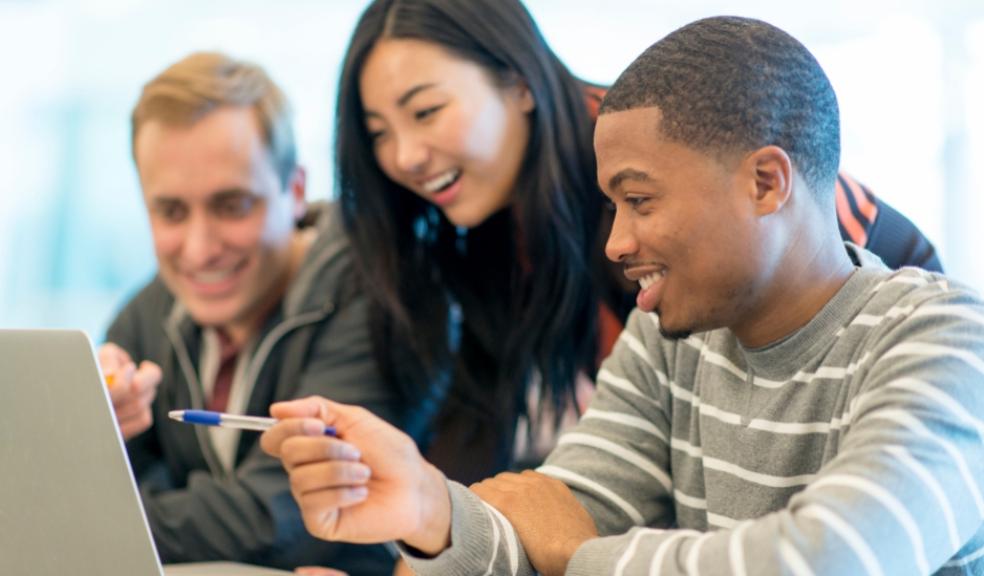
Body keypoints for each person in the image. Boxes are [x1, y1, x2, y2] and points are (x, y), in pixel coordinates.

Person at [261, 15, 984, 576]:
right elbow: (548, 523)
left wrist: (580, 557)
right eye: (611, 206)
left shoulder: (946, 340)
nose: (615, 244)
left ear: (766, 182)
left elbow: (827, 561)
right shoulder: (672, 336)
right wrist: (423, 502)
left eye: (639, 199)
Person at [330, 0, 942, 488]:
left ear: (517, 84)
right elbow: (508, 443)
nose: (404, 156)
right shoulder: (475, 221)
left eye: (427, 111)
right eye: (378, 132)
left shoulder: (652, 166)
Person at [100, 51, 407, 573]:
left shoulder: (376, 294)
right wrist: (106, 438)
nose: (199, 250)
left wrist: (106, 518)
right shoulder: (144, 315)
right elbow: (94, 486)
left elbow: (282, 521)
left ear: (295, 191)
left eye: (232, 205)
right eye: (170, 211)